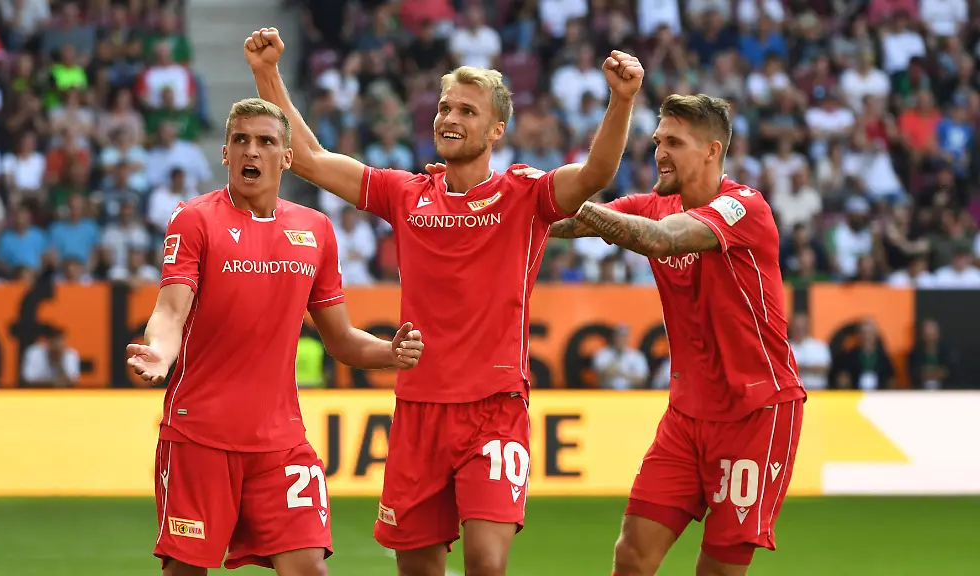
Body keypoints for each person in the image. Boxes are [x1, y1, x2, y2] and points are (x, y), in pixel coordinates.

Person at [243, 27, 642, 576]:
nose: (449, 118)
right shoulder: (405, 194)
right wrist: (267, 72)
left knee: (486, 562)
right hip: (418, 411)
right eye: (444, 108)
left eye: (467, 111)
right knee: (417, 569)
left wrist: (621, 100)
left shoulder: (525, 194)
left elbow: (596, 173)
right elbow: (308, 158)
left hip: (495, 409)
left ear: (497, 130)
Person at [125, 97, 425, 576]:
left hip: (281, 443)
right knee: (184, 571)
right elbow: (170, 308)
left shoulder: (316, 229)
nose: (252, 150)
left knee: (310, 569)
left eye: (266, 141)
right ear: (225, 152)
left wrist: (390, 351)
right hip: (200, 436)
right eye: (240, 140)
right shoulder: (194, 219)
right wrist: (160, 351)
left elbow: (341, 339)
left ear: (287, 157)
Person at [549, 94, 806, 576]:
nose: (659, 153)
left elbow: (661, 239)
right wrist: (501, 202)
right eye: (657, 141)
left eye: (673, 142)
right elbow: (566, 222)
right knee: (632, 555)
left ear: (712, 151)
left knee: (718, 570)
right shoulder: (655, 204)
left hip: (756, 412)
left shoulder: (744, 207)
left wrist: (578, 204)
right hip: (687, 415)